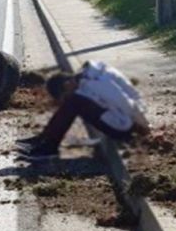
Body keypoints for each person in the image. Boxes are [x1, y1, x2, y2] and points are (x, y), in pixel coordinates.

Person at [18, 60, 149, 160]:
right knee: (76, 100)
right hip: (121, 120)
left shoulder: (97, 81)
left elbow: (125, 102)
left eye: (64, 97)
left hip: (127, 126)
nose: (64, 102)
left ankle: (49, 147)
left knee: (75, 101)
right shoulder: (88, 77)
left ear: (67, 84)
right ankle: (44, 139)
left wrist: (143, 126)